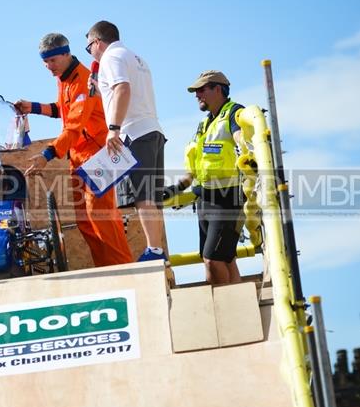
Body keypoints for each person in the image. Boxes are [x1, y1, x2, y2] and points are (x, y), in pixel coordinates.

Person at [15, 33, 132, 267]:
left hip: (100, 155)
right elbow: (63, 110)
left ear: (66, 54)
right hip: (79, 159)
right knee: (85, 221)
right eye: (45, 62)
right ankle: (107, 271)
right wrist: (34, 108)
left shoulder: (84, 80)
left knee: (101, 218)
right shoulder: (64, 78)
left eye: (52, 61)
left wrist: (47, 155)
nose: (49, 67)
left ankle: (124, 270)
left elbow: (74, 127)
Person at [85, 20, 168, 262]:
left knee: (142, 196)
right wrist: (101, 92)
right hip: (151, 130)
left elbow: (122, 90)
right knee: (150, 197)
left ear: (97, 42)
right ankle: (158, 250)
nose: (90, 52)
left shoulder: (111, 58)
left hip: (131, 133)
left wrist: (113, 129)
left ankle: (154, 250)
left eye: (88, 47)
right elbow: (123, 93)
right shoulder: (136, 58)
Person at [163, 71, 246, 284]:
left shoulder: (235, 113)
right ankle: (237, 306)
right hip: (205, 201)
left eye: (201, 90)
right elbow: (194, 169)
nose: (196, 95)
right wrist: (176, 188)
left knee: (212, 259)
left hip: (228, 199)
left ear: (217, 89)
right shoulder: (204, 124)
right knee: (225, 258)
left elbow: (242, 140)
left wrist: (247, 148)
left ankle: (223, 307)